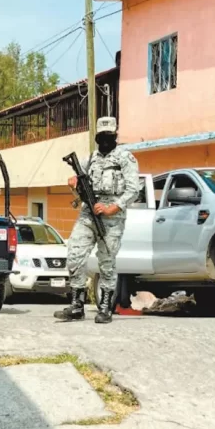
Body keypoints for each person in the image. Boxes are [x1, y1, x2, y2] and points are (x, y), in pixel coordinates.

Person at [54, 116, 140, 324]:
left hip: (112, 216)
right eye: (101, 136)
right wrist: (73, 181)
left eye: (109, 136)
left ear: (115, 135)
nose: (105, 140)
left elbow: (133, 189)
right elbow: (77, 175)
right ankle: (76, 305)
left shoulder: (125, 158)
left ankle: (105, 308)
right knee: (75, 252)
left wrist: (113, 208)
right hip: (88, 212)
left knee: (107, 262)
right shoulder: (91, 158)